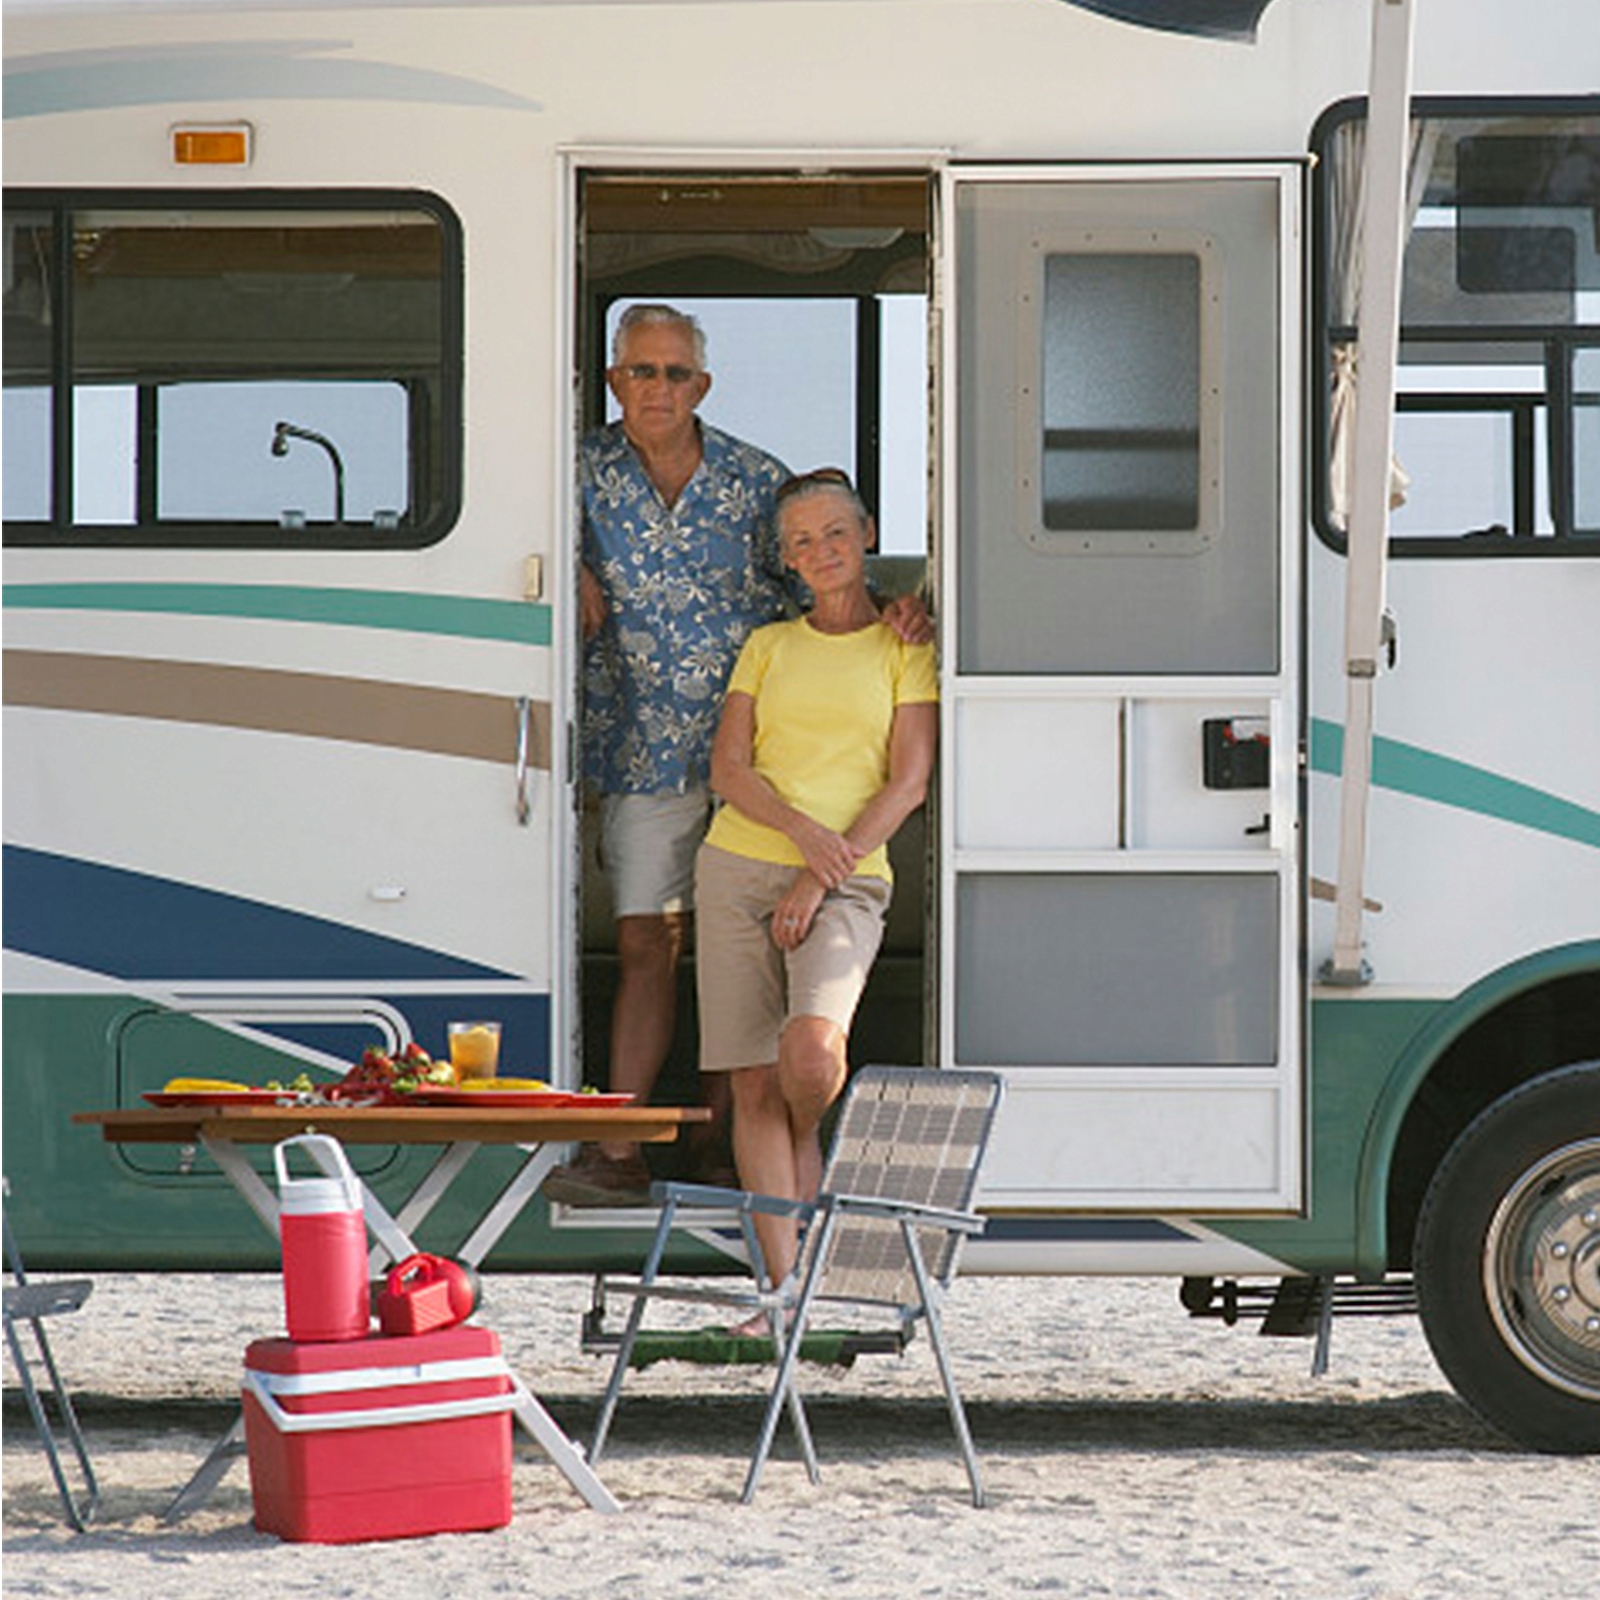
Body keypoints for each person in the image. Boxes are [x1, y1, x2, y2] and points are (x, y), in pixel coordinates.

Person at [548, 308, 931, 1208]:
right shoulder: (574, 475)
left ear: (703, 387)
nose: (659, 389)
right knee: (647, 942)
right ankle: (619, 1149)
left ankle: (729, 1148)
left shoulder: (755, 481)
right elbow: (508, 543)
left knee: (746, 959)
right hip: (641, 745)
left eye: (677, 374)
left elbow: (819, 563)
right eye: (641, 372)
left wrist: (896, 611)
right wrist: (571, 565)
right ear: (614, 382)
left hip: (756, 755)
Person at [694, 468, 938, 1305]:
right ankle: (788, 1288)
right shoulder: (768, 644)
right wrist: (802, 838)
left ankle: (806, 1132)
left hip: (848, 881)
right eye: (801, 541)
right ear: (787, 561)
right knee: (749, 1081)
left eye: (835, 533)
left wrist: (815, 876)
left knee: (809, 1054)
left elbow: (908, 784)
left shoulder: (907, 646)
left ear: (867, 537)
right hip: (735, 867)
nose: (821, 551)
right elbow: (730, 768)